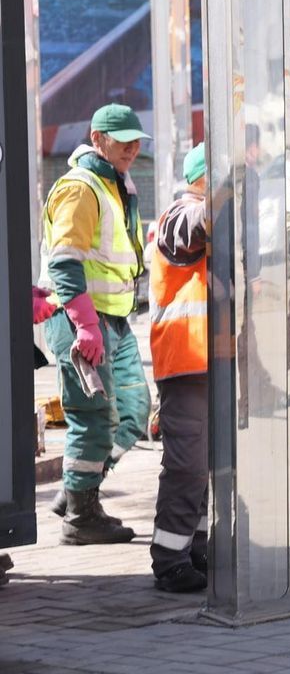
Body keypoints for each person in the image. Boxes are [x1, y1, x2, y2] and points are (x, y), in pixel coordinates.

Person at [40, 103, 151, 545]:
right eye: (122, 138)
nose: (132, 147)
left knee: (134, 412)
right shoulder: (81, 187)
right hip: (81, 319)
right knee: (93, 417)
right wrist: (85, 325)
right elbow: (65, 262)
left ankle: (76, 490)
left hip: (115, 320)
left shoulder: (118, 186)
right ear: (96, 137)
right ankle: (82, 515)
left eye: (136, 139)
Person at [147, 143, 211, 593]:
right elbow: (192, 227)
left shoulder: (220, 220)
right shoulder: (180, 214)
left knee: (207, 464)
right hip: (187, 362)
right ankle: (169, 558)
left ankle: (196, 546)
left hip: (212, 361)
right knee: (188, 466)